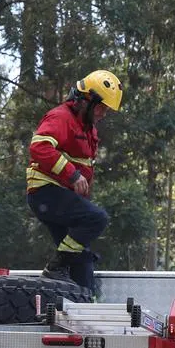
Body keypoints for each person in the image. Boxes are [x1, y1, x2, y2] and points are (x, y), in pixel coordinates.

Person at [26, 70, 123, 290]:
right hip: (45, 192)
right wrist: (73, 174)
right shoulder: (61, 117)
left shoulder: (87, 128)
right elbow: (39, 147)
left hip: (61, 194)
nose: (104, 114)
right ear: (86, 101)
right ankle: (56, 266)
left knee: (81, 262)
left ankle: (82, 303)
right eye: (101, 107)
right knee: (97, 219)